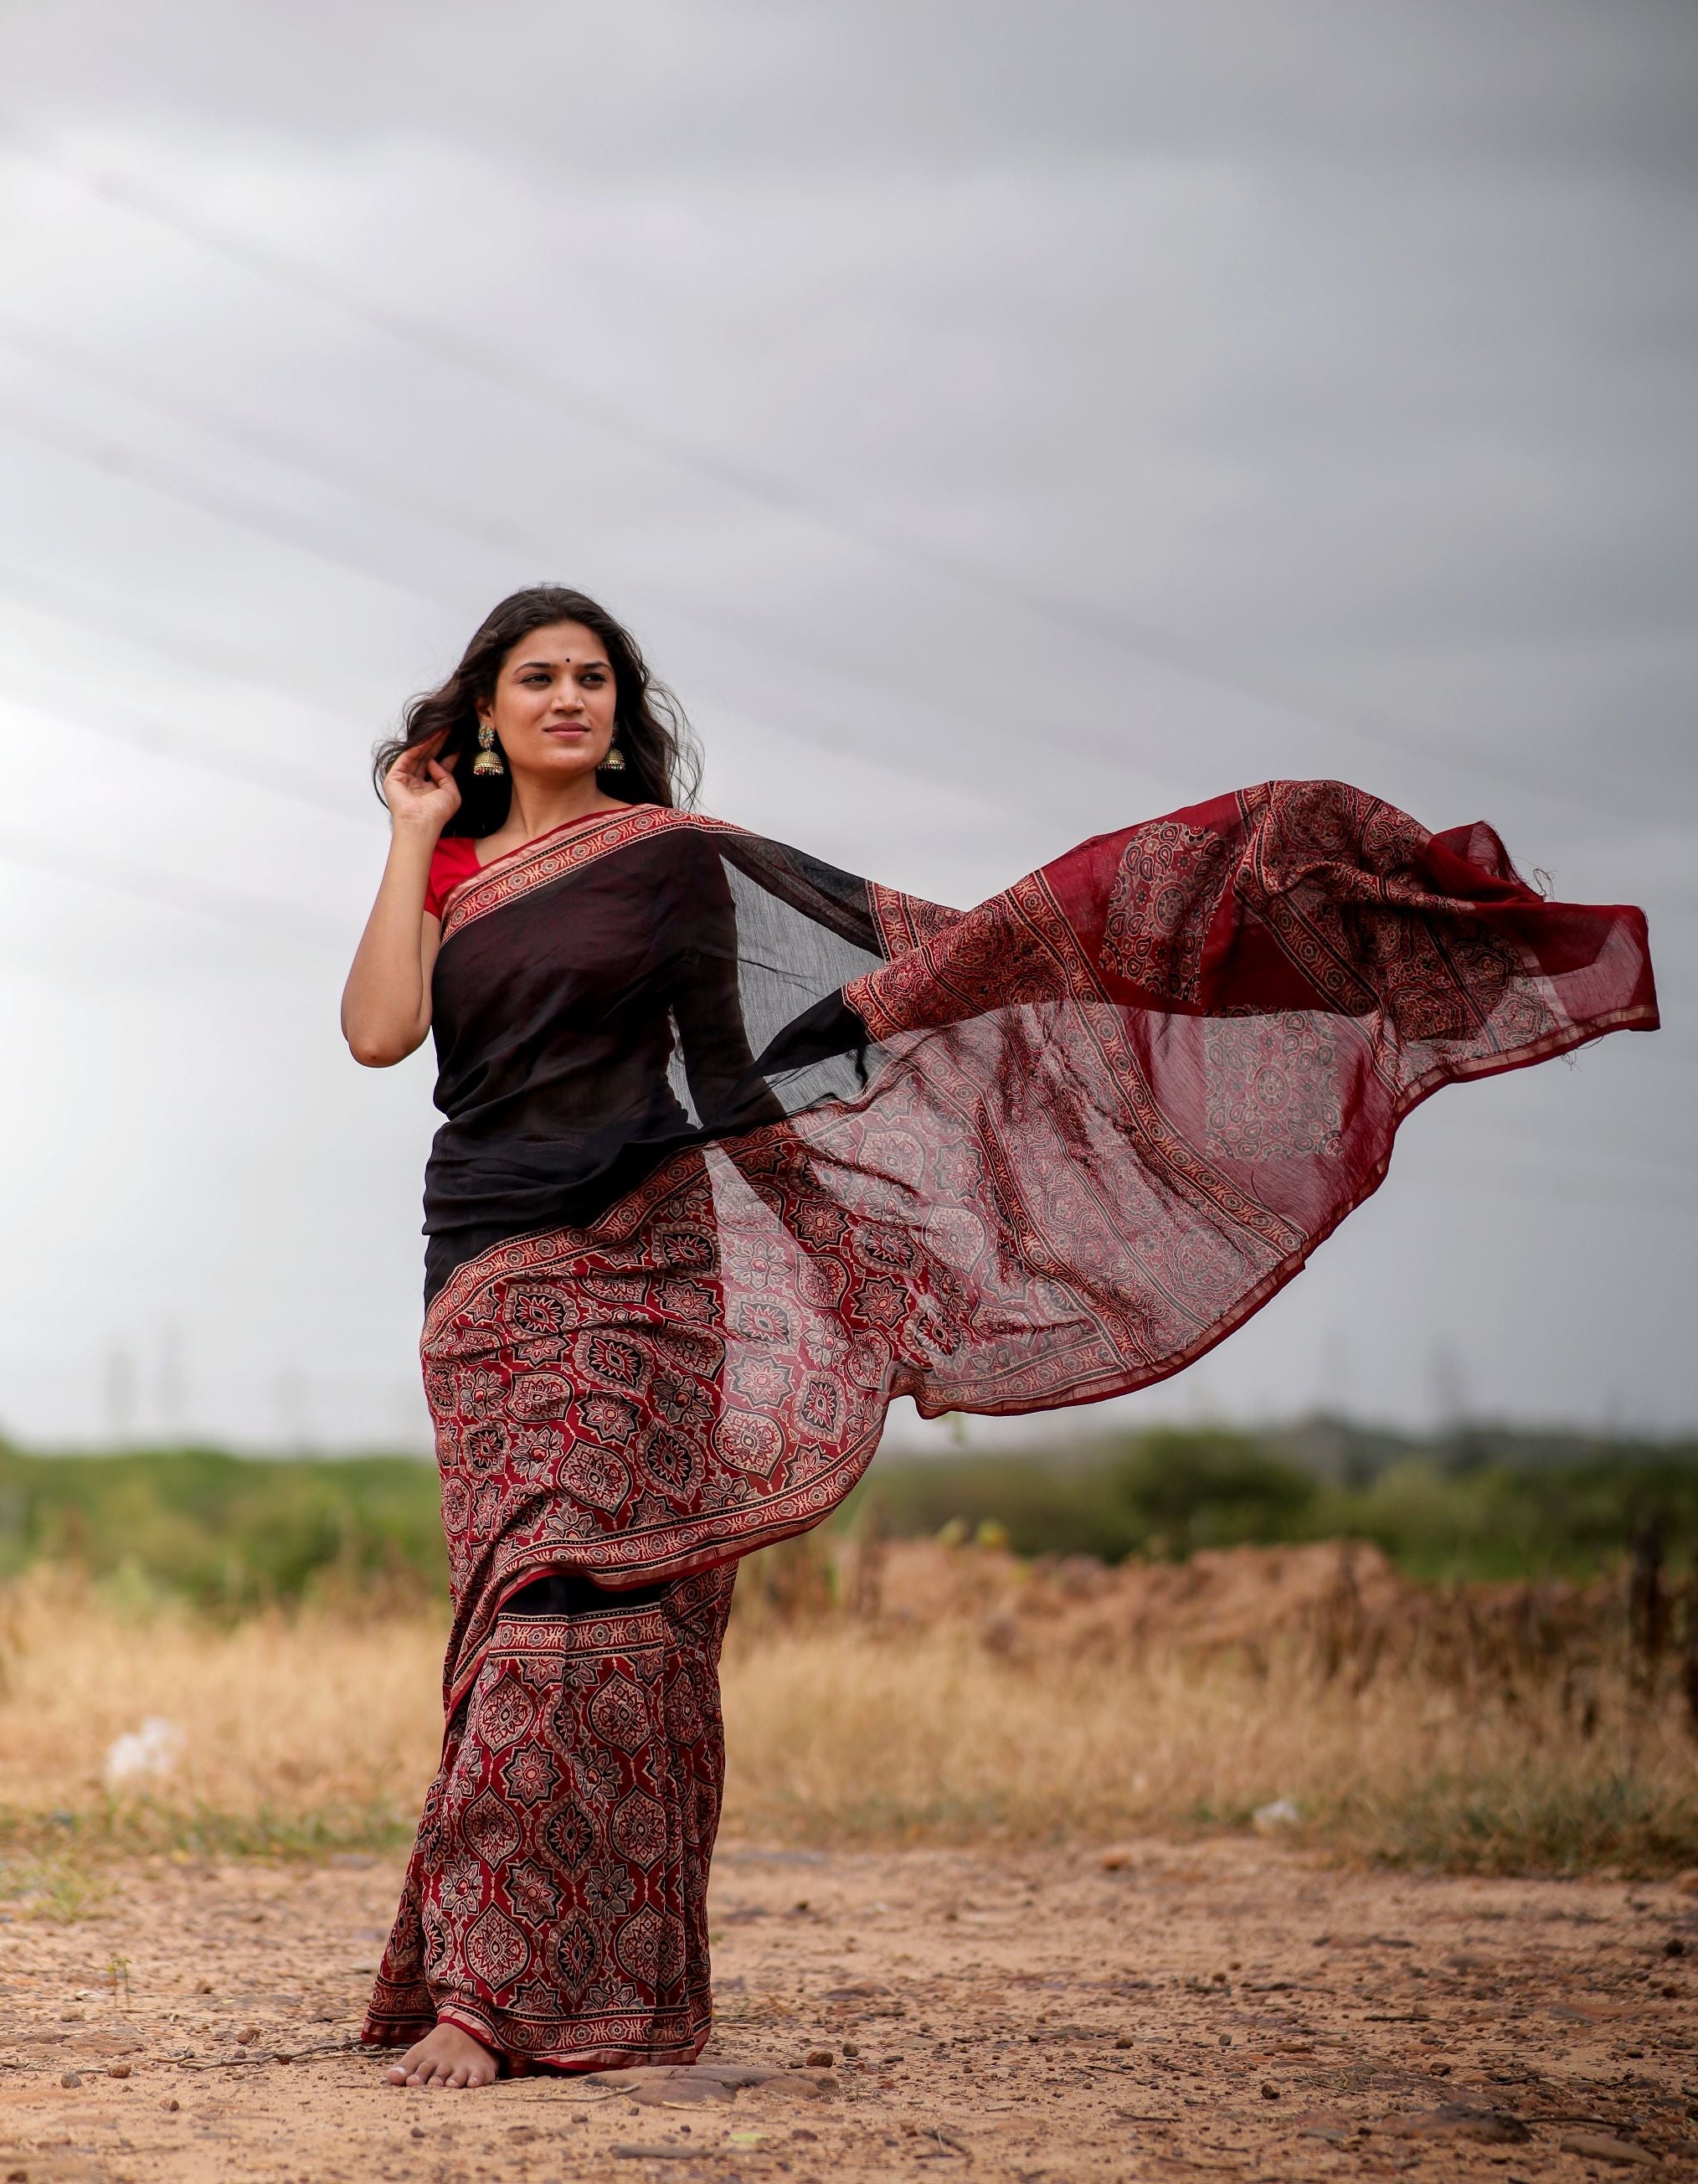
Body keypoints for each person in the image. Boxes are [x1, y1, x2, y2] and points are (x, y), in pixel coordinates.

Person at [342, 583, 1657, 2090]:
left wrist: (883, 1279)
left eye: (593, 680)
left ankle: (537, 2000)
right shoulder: (442, 873)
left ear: (619, 717)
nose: (568, 699)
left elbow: (766, 1071)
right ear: (488, 717)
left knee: (615, 1612)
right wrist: (404, 833)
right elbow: (381, 1034)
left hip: (655, 1270)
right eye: (537, 680)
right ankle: (480, 1982)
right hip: (494, 1276)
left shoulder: (679, 869)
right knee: (518, 1605)